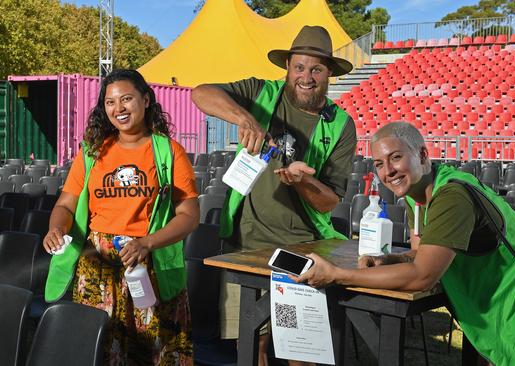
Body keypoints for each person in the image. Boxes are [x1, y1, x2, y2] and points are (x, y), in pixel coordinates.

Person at [295, 122, 515, 366]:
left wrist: (335, 274)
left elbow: (423, 275)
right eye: (379, 164)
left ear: (422, 155)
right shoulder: (418, 195)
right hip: (503, 317)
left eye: (396, 158)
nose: (388, 171)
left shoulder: (451, 197)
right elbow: (424, 254)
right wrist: (392, 260)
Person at [191, 25, 357, 365]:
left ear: (329, 74)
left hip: (303, 247)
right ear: (288, 68)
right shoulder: (261, 93)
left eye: (316, 69)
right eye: (299, 67)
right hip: (245, 242)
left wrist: (302, 182)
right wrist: (245, 119)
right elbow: (200, 93)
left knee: (301, 349)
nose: (306, 77)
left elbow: (329, 202)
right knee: (252, 345)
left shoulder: (341, 125)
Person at [43, 69, 199, 365]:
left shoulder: (169, 152)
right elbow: (65, 204)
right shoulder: (92, 153)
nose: (119, 109)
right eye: (110, 102)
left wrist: (147, 243)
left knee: (157, 351)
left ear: (146, 99)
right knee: (99, 351)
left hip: (148, 266)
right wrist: (56, 228)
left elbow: (190, 215)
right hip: (97, 269)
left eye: (126, 99)